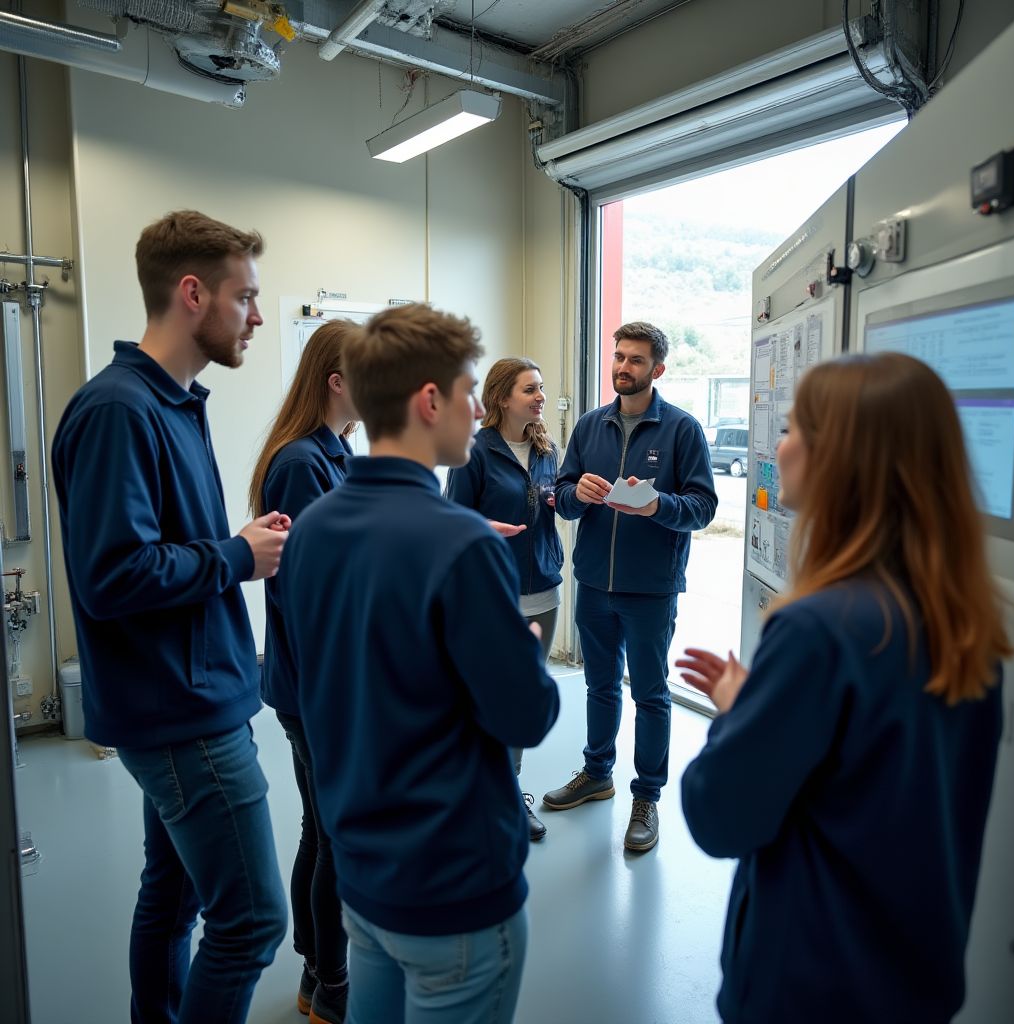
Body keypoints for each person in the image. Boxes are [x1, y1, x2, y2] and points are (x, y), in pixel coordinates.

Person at [678, 353, 1009, 1024]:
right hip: (911, 977)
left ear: (841, 458)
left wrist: (738, 720)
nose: (780, 444)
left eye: (795, 428)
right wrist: (763, 710)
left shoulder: (817, 629)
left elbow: (720, 818)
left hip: (810, 980)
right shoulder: (960, 619)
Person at [277, 303, 560, 1024]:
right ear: (429, 401)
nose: (475, 409)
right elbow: (524, 714)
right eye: (469, 392)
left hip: (365, 880)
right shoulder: (461, 547)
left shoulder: (313, 529)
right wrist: (520, 652)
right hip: (452, 890)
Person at [51, 210, 289, 1024]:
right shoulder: (120, 411)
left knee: (173, 891)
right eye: (245, 298)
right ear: (193, 293)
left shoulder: (173, 402)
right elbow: (112, 575)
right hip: (182, 713)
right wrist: (236, 556)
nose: (256, 317)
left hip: (184, 693)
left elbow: (159, 548)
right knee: (253, 919)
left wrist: (236, 547)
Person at [543, 321, 717, 852]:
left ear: (657, 369)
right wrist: (578, 493)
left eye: (636, 360)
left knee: (650, 694)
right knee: (599, 686)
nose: (623, 367)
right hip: (594, 583)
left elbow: (703, 508)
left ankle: (647, 797)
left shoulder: (682, 430)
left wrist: (656, 504)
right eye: (619, 356)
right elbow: (561, 495)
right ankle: (597, 774)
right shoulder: (591, 427)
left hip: (650, 590)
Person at [248, 319, 362, 1024]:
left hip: (314, 681)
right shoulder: (300, 463)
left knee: (321, 834)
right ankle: (332, 984)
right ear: (337, 382)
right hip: (316, 685)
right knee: (335, 839)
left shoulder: (333, 453)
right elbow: (318, 586)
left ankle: (317, 975)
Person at [445, 356, 563, 841]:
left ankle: (509, 793)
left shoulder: (547, 449)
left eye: (540, 388)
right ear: (500, 397)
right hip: (494, 597)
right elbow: (451, 522)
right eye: (529, 389)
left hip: (545, 594)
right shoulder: (473, 451)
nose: (540, 397)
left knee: (519, 702)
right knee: (484, 700)